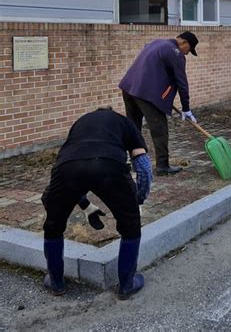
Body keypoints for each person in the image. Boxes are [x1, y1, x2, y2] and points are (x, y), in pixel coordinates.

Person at [41, 106, 153, 300]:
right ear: (111, 112)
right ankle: (127, 285)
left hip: (67, 168)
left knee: (53, 225)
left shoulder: (80, 122)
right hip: (110, 165)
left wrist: (84, 204)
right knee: (130, 226)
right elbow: (143, 166)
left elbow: (74, 168)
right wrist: (137, 200)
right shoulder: (124, 121)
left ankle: (56, 282)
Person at [119, 31, 199, 175]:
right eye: (189, 50)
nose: (187, 54)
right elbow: (182, 82)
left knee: (133, 128)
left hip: (129, 88)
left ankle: (133, 162)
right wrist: (186, 108)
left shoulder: (156, 43)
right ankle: (162, 166)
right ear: (184, 43)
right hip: (147, 94)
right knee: (159, 130)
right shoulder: (175, 52)